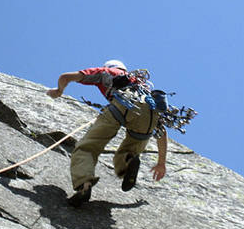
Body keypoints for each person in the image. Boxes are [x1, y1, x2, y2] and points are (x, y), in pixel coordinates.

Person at [46, 59, 168, 207]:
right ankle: (129, 161)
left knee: (86, 148)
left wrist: (58, 91)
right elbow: (161, 130)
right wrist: (161, 163)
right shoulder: (144, 88)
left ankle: (84, 184)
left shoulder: (107, 72)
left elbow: (65, 77)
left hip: (121, 107)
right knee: (127, 153)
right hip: (148, 116)